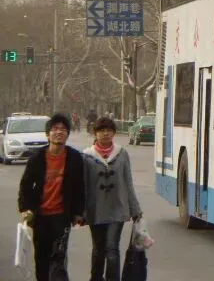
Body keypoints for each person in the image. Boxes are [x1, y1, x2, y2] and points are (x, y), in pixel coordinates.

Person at [18, 113, 85, 281]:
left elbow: (79, 186)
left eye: (63, 129)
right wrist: (25, 209)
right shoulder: (37, 157)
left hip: (62, 216)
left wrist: (78, 212)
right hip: (40, 216)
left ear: (67, 134)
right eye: (55, 129)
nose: (59, 132)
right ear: (48, 134)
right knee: (41, 258)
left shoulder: (75, 157)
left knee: (59, 258)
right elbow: (26, 185)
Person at [84, 116, 142, 281]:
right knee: (98, 248)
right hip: (95, 210)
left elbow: (128, 182)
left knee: (112, 248)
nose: (105, 134)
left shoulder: (122, 154)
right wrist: (80, 211)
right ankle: (96, 277)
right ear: (95, 133)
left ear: (114, 133)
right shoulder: (87, 156)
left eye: (109, 130)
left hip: (117, 208)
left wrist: (135, 209)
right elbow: (83, 186)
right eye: (102, 130)